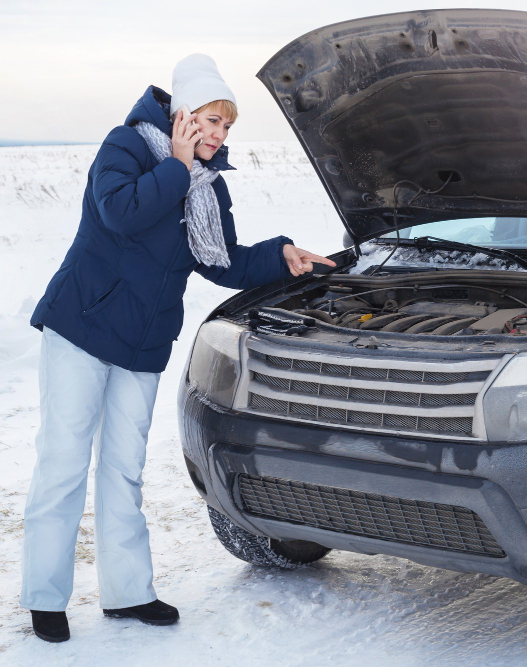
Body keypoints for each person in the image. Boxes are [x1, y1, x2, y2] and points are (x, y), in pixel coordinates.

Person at [19, 53, 335, 642]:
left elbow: (223, 260)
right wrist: (181, 165)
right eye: (210, 120)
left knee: (123, 470)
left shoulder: (207, 188)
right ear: (182, 113)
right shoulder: (128, 147)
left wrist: (281, 256)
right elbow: (120, 212)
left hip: (141, 343)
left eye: (226, 126)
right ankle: (44, 596)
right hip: (82, 328)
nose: (217, 135)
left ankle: (128, 594)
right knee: (63, 461)